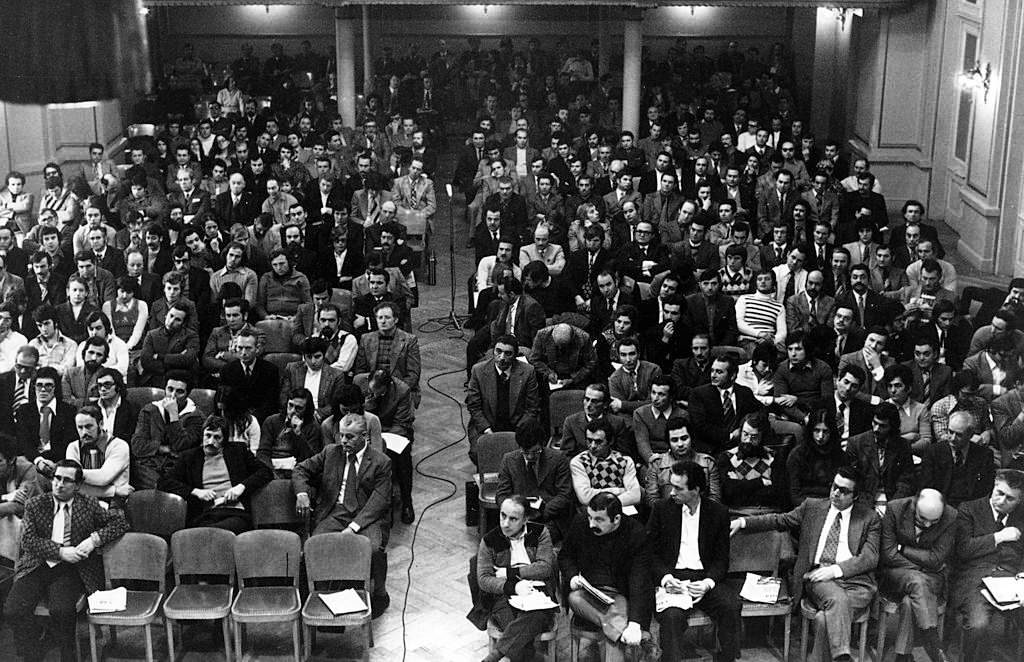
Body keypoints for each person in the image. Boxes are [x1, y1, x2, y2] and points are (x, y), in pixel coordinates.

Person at [731, 466, 880, 662]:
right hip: (818, 579)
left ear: (855, 496)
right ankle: (843, 656)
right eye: (835, 486)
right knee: (835, 599)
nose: (836, 493)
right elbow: (779, 520)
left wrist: (835, 571)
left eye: (844, 491)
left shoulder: (869, 518)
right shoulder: (812, 507)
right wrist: (743, 522)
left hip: (856, 583)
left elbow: (870, 557)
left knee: (823, 619)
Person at [3, 459, 128, 662]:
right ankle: (34, 652)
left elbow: (120, 521)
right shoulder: (36, 504)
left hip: (71, 568)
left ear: (77, 485)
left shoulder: (88, 504)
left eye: (67, 480)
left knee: (62, 611)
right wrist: (60, 552)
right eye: (57, 478)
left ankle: (68, 657)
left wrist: (92, 540)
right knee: (13, 610)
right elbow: (28, 541)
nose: (59, 484)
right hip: (37, 564)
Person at [293, 413, 393, 617]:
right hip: (335, 512)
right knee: (314, 547)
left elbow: (379, 501)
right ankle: (319, 598)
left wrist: (353, 528)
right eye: (341, 436)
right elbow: (301, 470)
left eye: (350, 437)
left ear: (364, 436)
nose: (343, 441)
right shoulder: (331, 452)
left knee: (373, 550)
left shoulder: (381, 462)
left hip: (366, 516)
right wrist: (302, 493)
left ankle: (379, 594)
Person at [647, 461, 741, 662]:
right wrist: (665, 578)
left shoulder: (718, 513)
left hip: (703, 577)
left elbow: (721, 559)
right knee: (672, 617)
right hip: (674, 578)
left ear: (696, 489)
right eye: (671, 486)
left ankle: (726, 658)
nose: (672, 492)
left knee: (731, 607)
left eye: (678, 488)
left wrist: (707, 584)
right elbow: (650, 554)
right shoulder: (661, 510)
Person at [559, 492, 655, 662]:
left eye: (599, 520)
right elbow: (565, 556)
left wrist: (634, 623)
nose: (591, 524)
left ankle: (618, 632)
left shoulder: (636, 533)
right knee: (574, 597)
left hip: (620, 595)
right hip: (586, 592)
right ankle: (636, 639)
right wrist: (573, 576)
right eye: (590, 517)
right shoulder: (580, 523)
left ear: (616, 519)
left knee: (615, 619)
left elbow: (639, 580)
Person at [949, 469, 1024, 661]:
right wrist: (998, 537)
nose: (1002, 501)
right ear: (993, 486)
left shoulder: (1021, 517)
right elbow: (963, 549)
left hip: (1013, 580)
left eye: (1011, 499)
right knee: (978, 624)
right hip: (976, 580)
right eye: (999, 493)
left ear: (1020, 501)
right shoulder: (969, 509)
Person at [878, 489, 957, 662]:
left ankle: (903, 656)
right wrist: (920, 567)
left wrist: (903, 548)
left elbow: (936, 559)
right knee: (917, 580)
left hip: (931, 579)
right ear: (914, 505)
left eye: (934, 521)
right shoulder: (895, 508)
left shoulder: (951, 516)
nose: (927, 525)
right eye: (922, 519)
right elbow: (888, 554)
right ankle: (934, 644)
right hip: (896, 575)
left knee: (910, 600)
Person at [476, 495, 557, 662]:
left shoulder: (541, 533)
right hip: (503, 596)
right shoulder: (489, 540)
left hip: (538, 593)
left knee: (532, 619)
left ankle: (493, 658)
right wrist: (513, 587)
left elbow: (545, 568)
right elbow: (484, 579)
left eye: (513, 519)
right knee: (522, 638)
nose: (505, 523)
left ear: (525, 519)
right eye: (503, 516)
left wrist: (509, 573)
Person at [159, 414, 273, 533]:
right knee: (201, 533)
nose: (210, 441)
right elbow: (163, 482)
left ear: (224, 440)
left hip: (235, 513)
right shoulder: (189, 457)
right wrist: (195, 491)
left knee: (208, 534)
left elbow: (265, 472)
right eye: (208, 436)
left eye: (217, 437)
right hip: (205, 515)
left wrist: (241, 487)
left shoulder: (238, 451)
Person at [495, 418, 574, 542]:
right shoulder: (509, 460)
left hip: (549, 518)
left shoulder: (558, 459)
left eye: (536, 452)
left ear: (543, 444)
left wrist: (542, 512)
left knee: (532, 542)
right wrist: (515, 513)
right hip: (517, 517)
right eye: (526, 452)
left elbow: (565, 495)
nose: (531, 457)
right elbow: (501, 495)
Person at [466, 335, 541, 464]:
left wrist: (518, 433)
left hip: (517, 426)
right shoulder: (478, 370)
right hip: (487, 424)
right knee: (477, 453)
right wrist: (487, 430)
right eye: (498, 351)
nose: (501, 357)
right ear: (493, 351)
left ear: (515, 355)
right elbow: (474, 407)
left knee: (523, 454)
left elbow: (532, 408)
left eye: (507, 353)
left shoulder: (528, 372)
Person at [129, 370, 203, 490]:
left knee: (170, 486)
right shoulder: (149, 410)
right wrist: (163, 448)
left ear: (187, 394)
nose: (172, 396)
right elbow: (137, 446)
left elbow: (181, 446)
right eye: (170, 389)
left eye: (179, 392)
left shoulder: (196, 416)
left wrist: (174, 416)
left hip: (176, 467)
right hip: (148, 466)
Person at [844, 402, 917, 513]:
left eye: (883, 426)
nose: (876, 429)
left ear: (892, 427)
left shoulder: (902, 445)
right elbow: (852, 479)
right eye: (875, 423)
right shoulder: (856, 443)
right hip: (862, 499)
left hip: (892, 498)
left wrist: (894, 504)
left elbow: (906, 480)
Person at [689, 354, 763, 455]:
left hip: (741, 448)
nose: (713, 375)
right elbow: (700, 427)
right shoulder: (699, 394)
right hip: (711, 449)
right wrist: (731, 435)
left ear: (732, 375)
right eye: (712, 370)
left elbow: (762, 411)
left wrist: (745, 427)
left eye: (719, 372)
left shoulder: (744, 392)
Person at [920, 411, 995, 508]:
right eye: (950, 432)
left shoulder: (984, 455)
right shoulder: (933, 452)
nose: (952, 438)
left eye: (959, 435)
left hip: (971, 509)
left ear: (970, 435)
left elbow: (985, 490)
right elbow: (926, 488)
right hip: (940, 506)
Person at [569, 419, 641, 515]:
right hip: (592, 514)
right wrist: (620, 490)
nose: (592, 446)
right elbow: (585, 497)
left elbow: (635, 496)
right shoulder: (579, 462)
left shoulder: (625, 461)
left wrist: (602, 500)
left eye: (598, 442)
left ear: (610, 441)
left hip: (621, 513)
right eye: (589, 440)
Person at [65, 404, 132, 505]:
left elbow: (103, 478)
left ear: (100, 424)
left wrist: (73, 473)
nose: (84, 432)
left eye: (89, 427)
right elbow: (73, 486)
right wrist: (114, 491)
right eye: (80, 427)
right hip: (84, 503)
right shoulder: (73, 447)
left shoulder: (119, 445)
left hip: (114, 504)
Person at [787, 409, 846, 506]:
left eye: (825, 431)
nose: (820, 436)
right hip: (803, 507)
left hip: (832, 505)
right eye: (816, 430)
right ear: (810, 431)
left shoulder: (840, 456)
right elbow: (795, 494)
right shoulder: (797, 455)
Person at [257, 388, 322, 477]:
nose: (292, 411)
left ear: (306, 409)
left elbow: (310, 460)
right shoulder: (272, 421)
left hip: (296, 471)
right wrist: (271, 472)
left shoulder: (313, 427)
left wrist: (298, 434)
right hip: (271, 468)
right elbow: (263, 453)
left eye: (299, 408)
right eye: (290, 405)